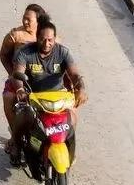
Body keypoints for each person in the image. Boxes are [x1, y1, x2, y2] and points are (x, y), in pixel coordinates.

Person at [7, 18, 87, 165]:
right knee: (24, 117)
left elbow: (74, 74)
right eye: (43, 39)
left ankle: (69, 149)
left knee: (72, 118)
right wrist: (20, 89)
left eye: (50, 40)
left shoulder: (63, 52)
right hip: (33, 97)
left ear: (55, 39)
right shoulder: (25, 52)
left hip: (58, 98)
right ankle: (16, 145)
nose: (46, 43)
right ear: (37, 38)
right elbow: (17, 73)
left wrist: (81, 87)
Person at [0, 4, 47, 154]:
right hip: (20, 80)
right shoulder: (16, 35)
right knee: (8, 97)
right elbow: (4, 55)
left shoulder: (48, 36)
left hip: (42, 81)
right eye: (24, 18)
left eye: (29, 19)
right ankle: (15, 138)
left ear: (39, 21)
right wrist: (12, 74)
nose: (25, 22)